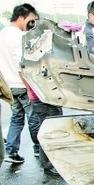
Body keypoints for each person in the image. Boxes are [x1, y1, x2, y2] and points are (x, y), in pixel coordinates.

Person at [0, 3, 39, 164]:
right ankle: (40, 150)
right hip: (21, 85)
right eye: (31, 20)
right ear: (21, 17)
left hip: (8, 86)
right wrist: (31, 87)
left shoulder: (2, 34)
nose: (32, 24)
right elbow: (21, 65)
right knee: (34, 118)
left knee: (16, 118)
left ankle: (11, 151)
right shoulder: (18, 36)